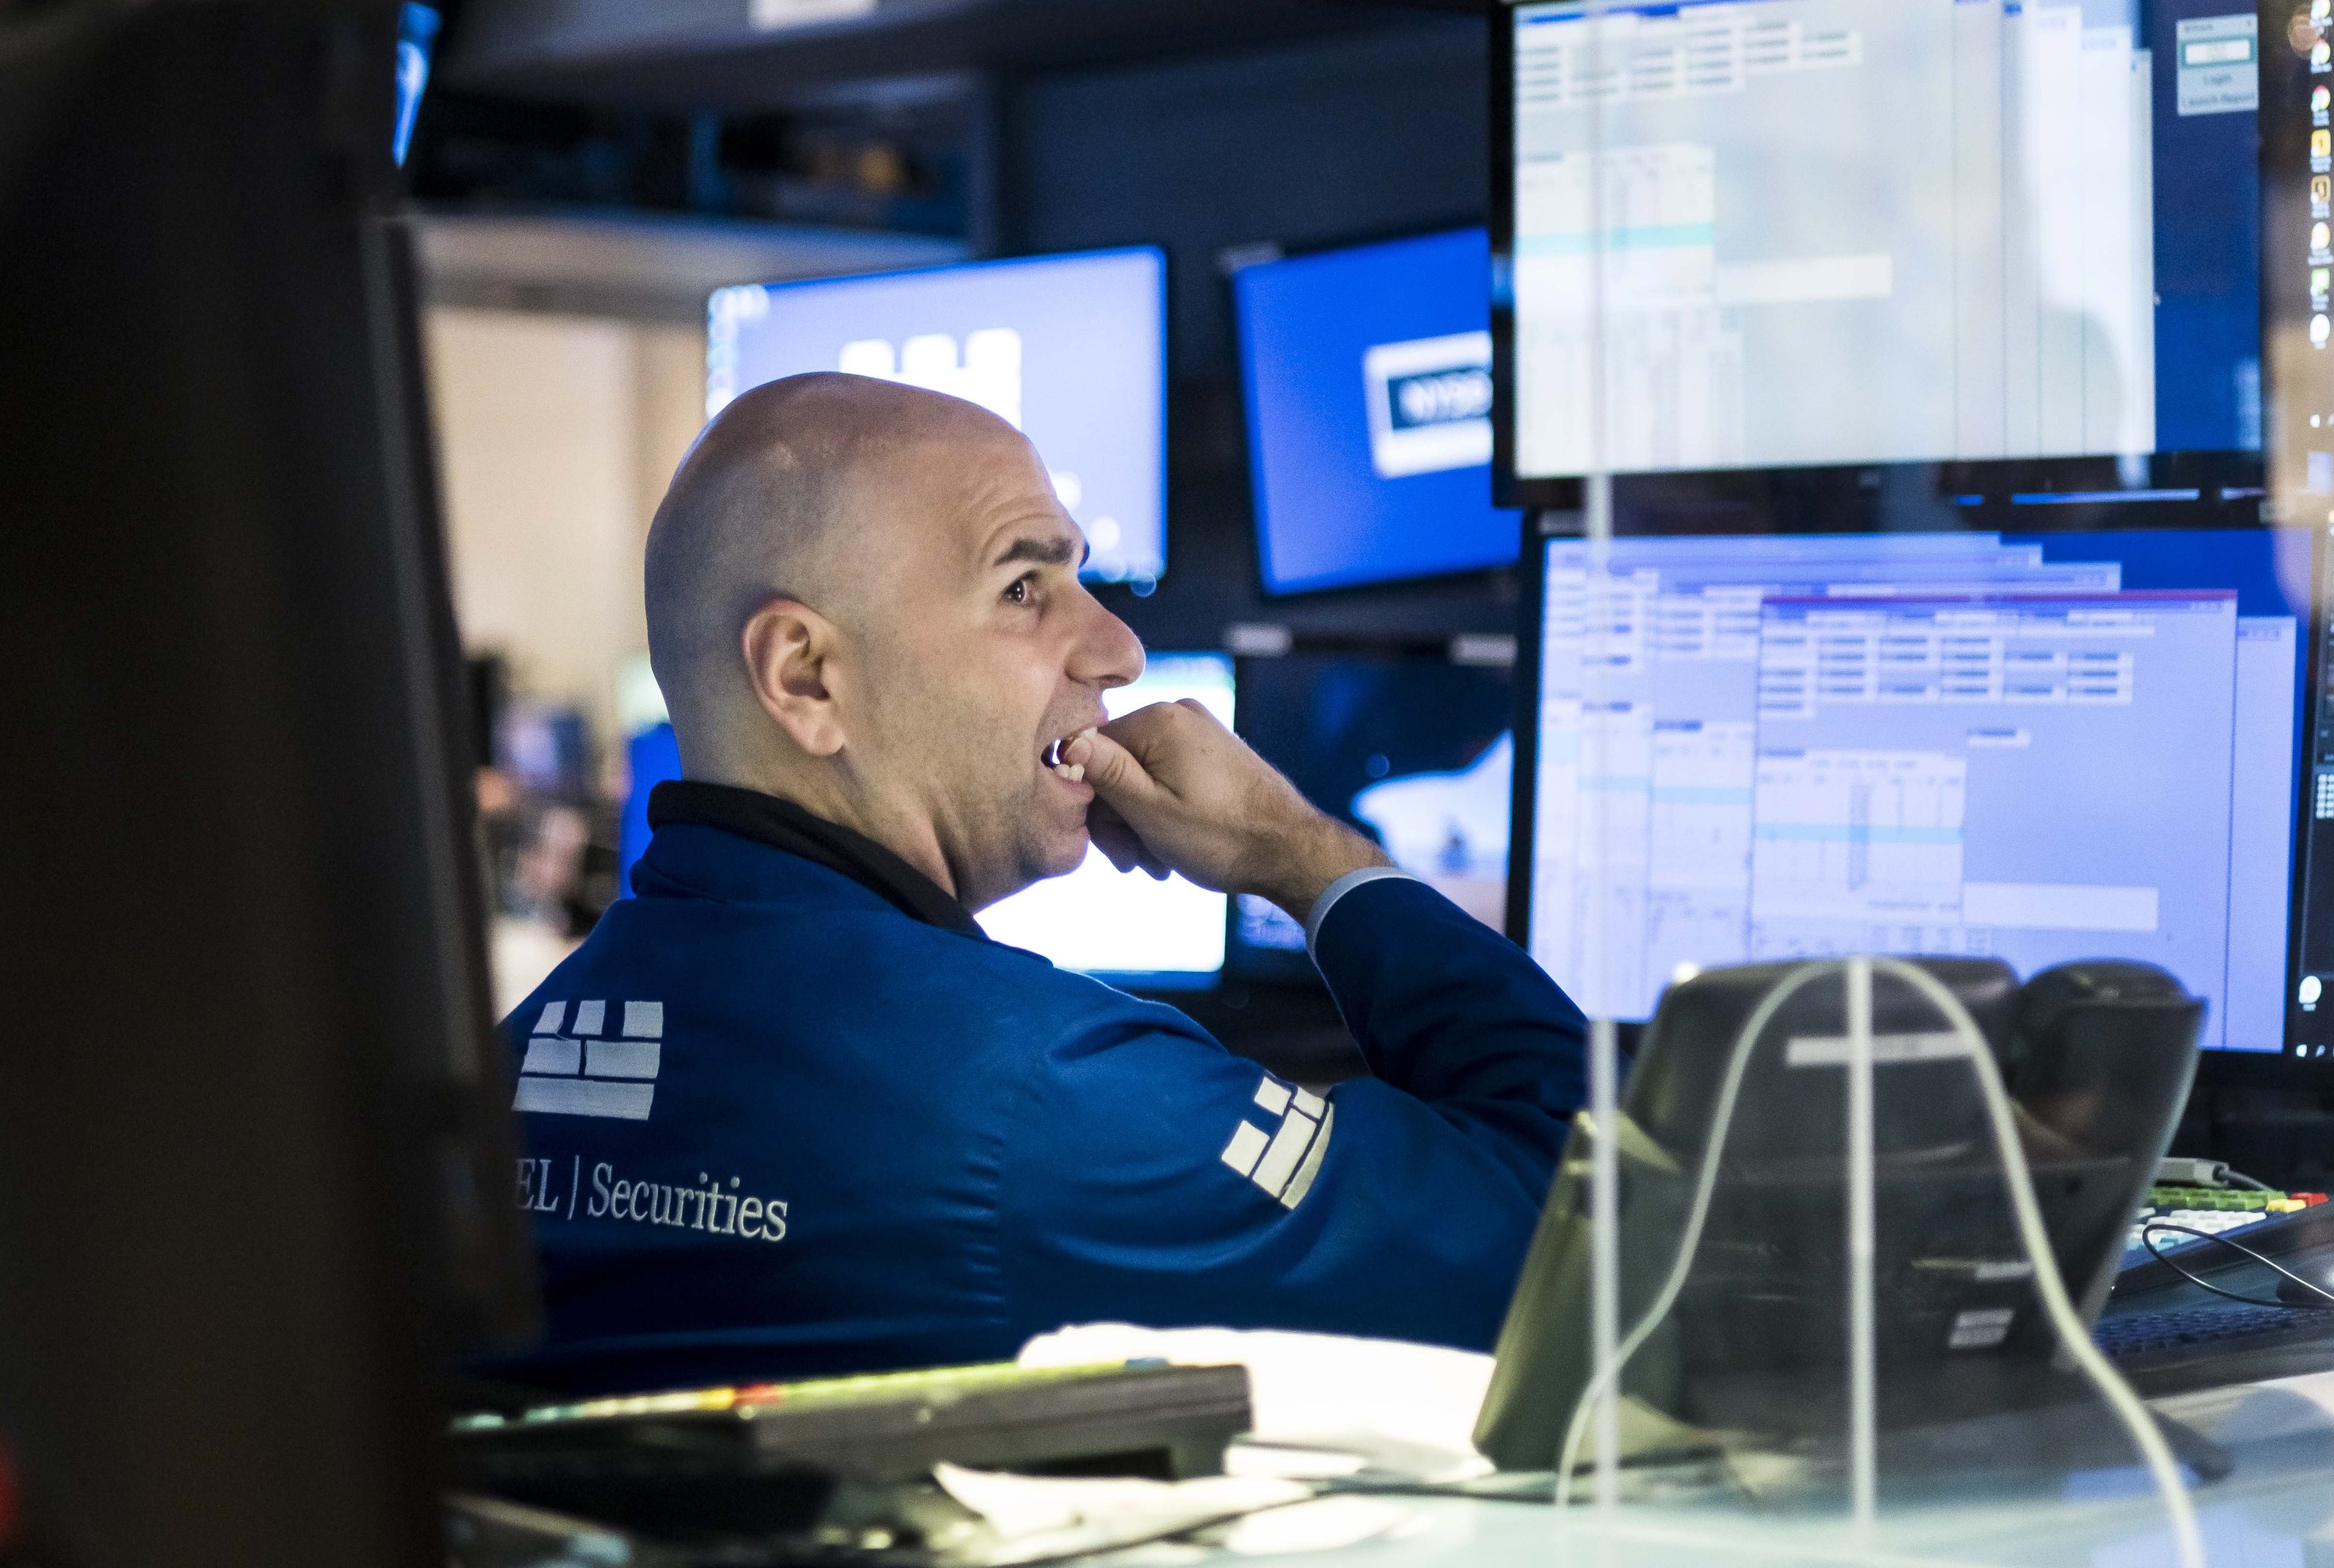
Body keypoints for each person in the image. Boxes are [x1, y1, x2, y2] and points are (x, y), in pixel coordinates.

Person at [498, 373, 1587, 1391]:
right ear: (807, 676)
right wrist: (1307, 859)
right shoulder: (1040, 1097)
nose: (1117, 648)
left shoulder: (507, 1066)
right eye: (1024, 586)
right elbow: (1589, 1240)